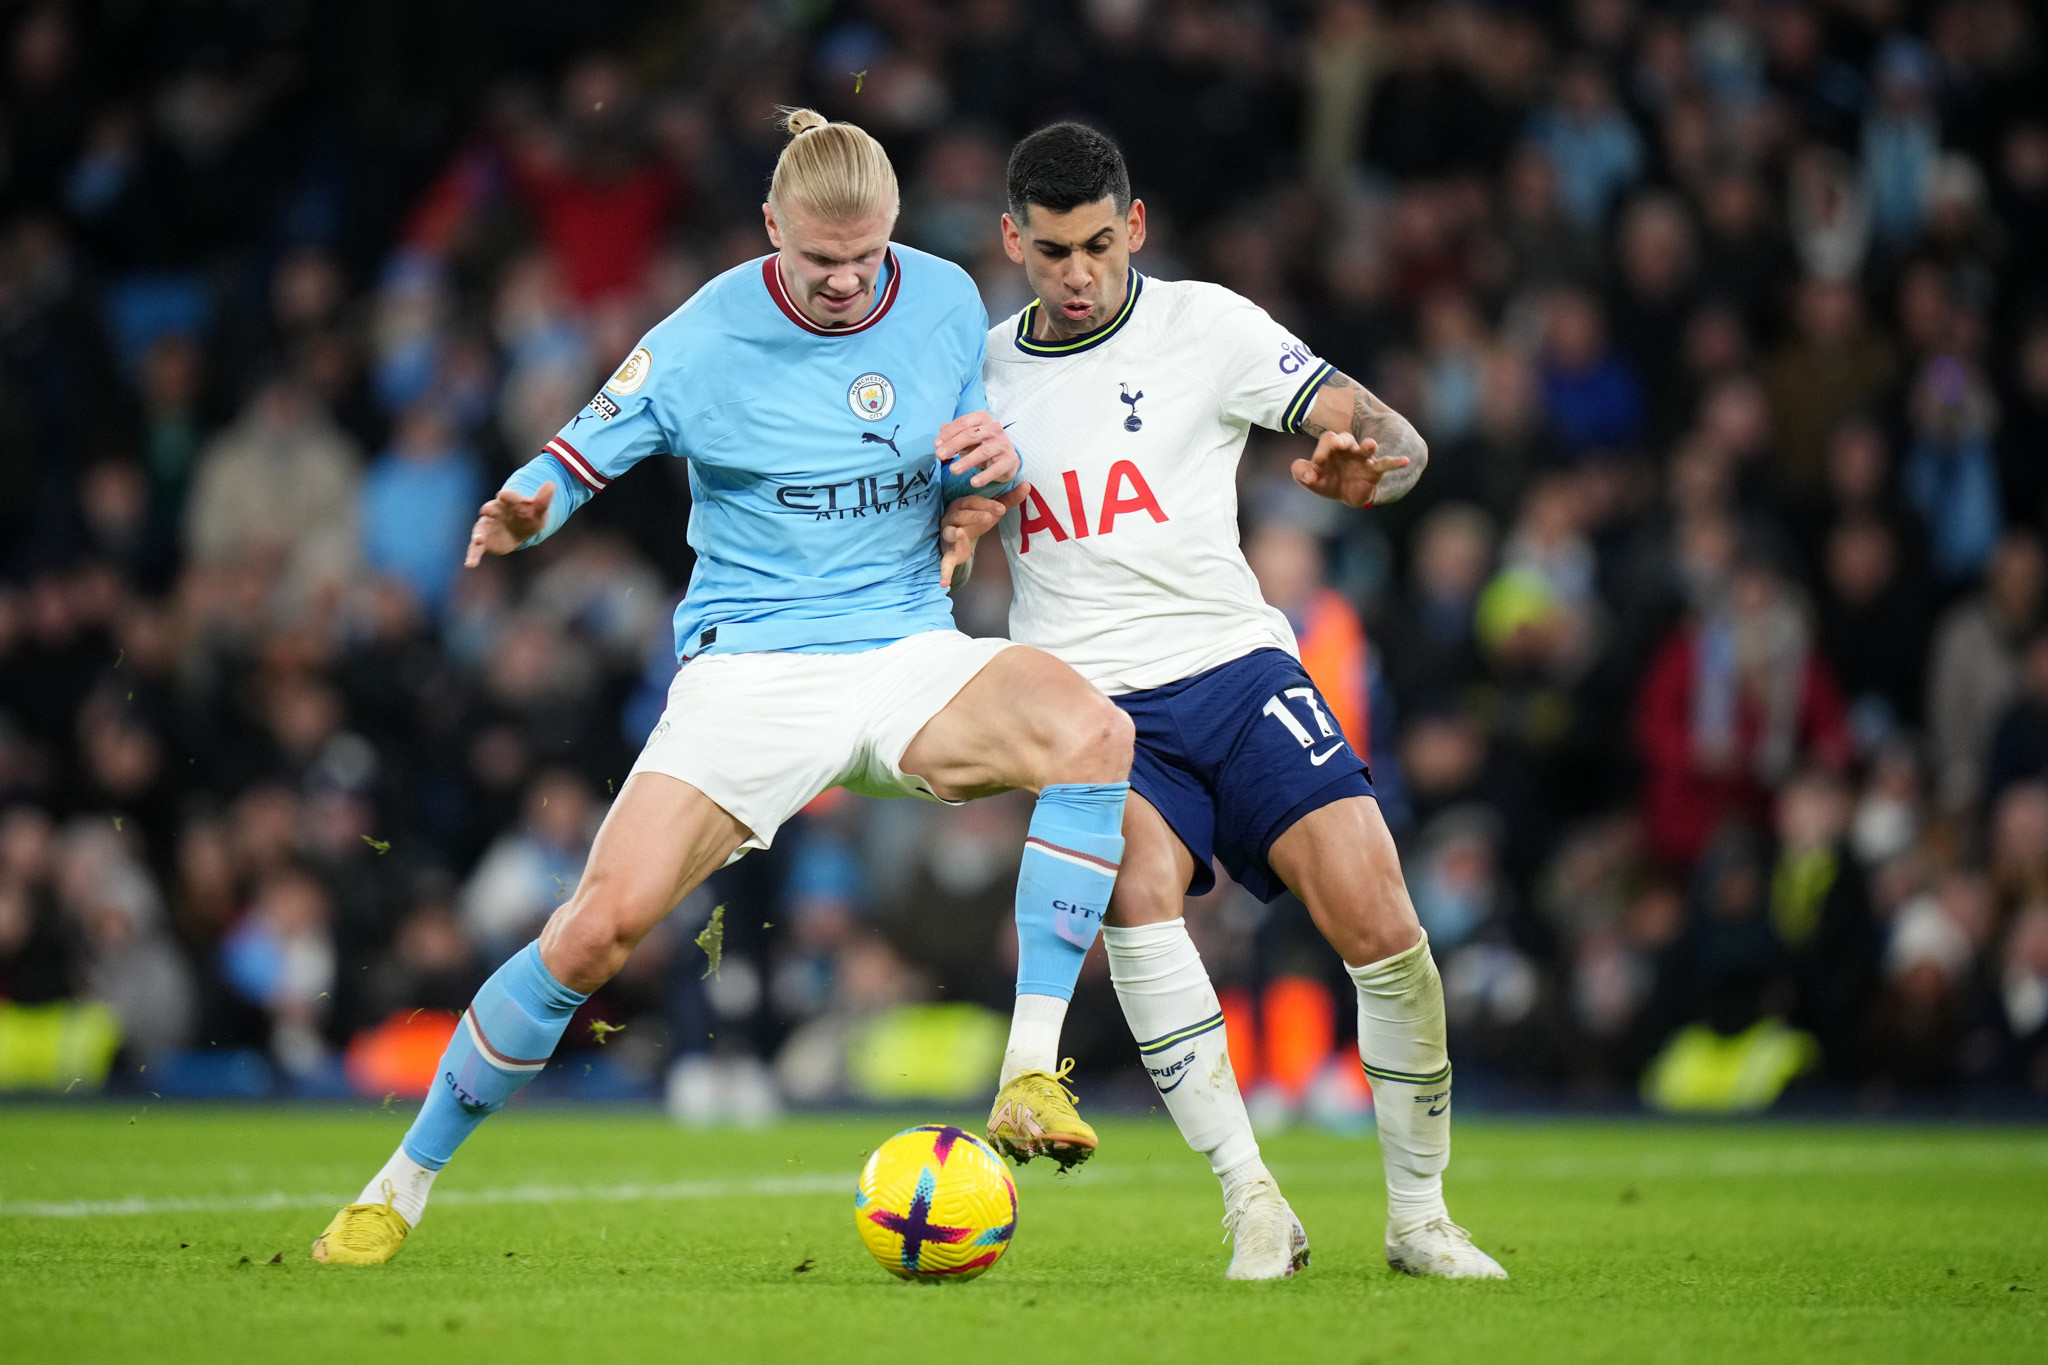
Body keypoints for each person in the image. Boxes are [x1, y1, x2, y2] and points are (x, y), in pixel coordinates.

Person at [311, 110, 1134, 1265]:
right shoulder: (701, 337)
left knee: (1093, 732)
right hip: (751, 672)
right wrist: (526, 507)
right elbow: (578, 450)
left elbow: (971, 445)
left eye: (866, 257)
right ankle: (398, 1186)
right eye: (818, 262)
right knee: (593, 934)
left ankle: (1027, 1074)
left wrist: (983, 477)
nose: (849, 283)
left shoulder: (947, 297)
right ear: (768, 232)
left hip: (903, 651)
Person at [956, 122, 1503, 1281]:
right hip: (1091, 703)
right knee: (1138, 893)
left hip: (1238, 670)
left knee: (1380, 921)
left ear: (1134, 225)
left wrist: (1377, 466)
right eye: (1051, 251)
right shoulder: (979, 370)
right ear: (1012, 241)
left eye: (1098, 244)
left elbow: (1385, 431)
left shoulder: (1209, 325)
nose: (1077, 272)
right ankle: (1251, 1199)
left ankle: (1418, 1218)